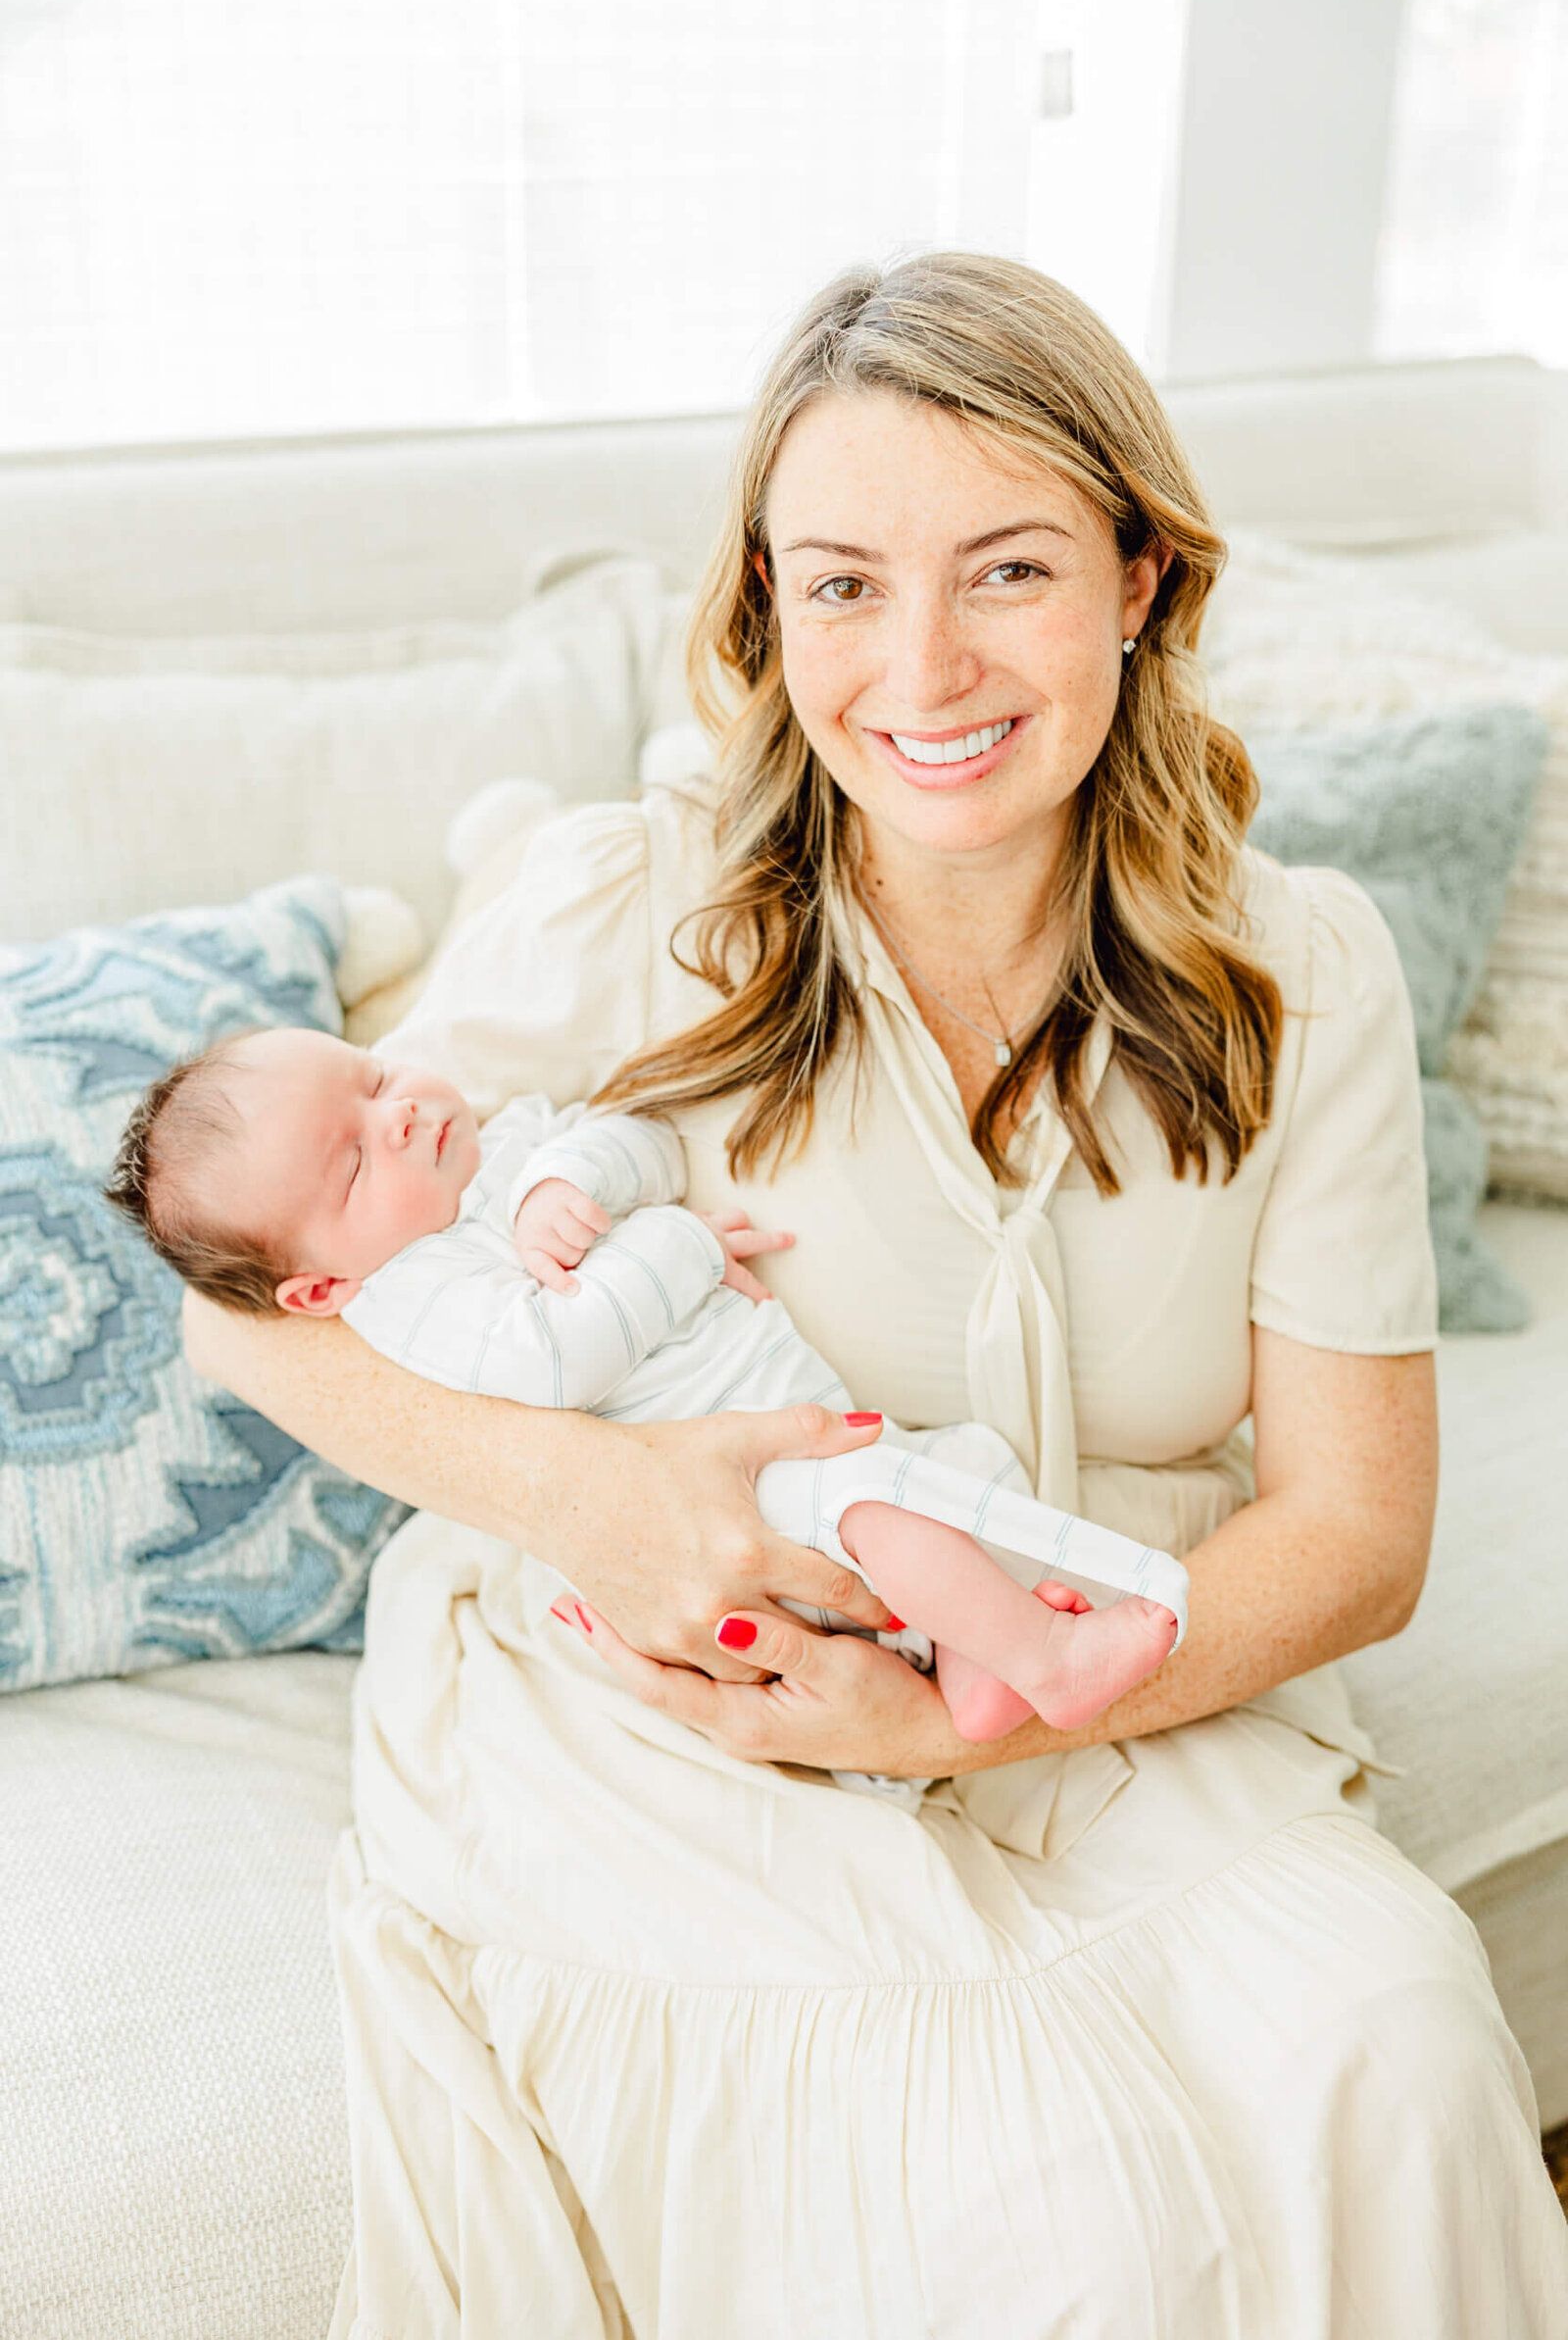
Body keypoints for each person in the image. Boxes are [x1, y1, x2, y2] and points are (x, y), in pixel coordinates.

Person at [186, 253, 1568, 2336]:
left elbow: (1354, 1539)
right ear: (763, 614)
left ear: (1136, 575)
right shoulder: (625, 900)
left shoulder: (1307, 976)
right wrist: (596, 1504)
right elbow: (246, 1310)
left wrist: (962, 1714)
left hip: (1105, 1655)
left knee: (1399, 2053)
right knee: (1041, 2219)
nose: (917, 666)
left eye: (1002, 567)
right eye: (837, 584)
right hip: (668, 1708)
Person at [108, 1026, 1185, 1762]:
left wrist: (569, 1181)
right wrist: (674, 1243)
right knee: (886, 1511)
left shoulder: (500, 1153)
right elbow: (560, 1358)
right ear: (319, 1286)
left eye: (376, 1078)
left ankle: (976, 1668)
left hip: (790, 1416)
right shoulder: (409, 1295)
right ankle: (1050, 1659)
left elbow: (644, 1138)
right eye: (350, 1163)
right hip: (732, 1495)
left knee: (958, 1473)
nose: (397, 1116)